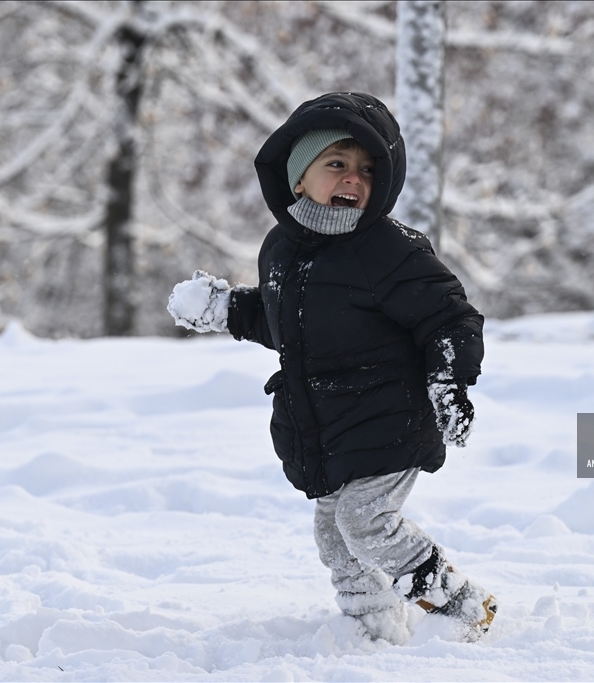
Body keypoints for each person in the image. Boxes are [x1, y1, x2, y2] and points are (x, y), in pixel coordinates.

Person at [166, 92, 496, 644]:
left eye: (367, 169)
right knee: (335, 536)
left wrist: (447, 380)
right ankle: (372, 627)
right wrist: (227, 308)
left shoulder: (390, 249)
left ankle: (463, 608)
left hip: (391, 417)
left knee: (366, 523)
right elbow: (288, 325)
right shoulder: (280, 250)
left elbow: (448, 316)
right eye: (337, 164)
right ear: (299, 176)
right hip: (329, 427)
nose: (354, 178)